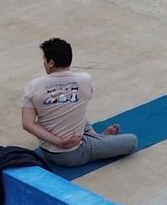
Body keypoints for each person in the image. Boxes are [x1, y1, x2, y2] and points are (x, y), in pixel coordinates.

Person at [20, 38, 138, 167]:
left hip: (49, 150)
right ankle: (100, 139)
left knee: (68, 110)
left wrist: (58, 142)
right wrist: (61, 143)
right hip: (73, 152)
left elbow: (27, 124)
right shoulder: (85, 79)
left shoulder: (33, 86)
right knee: (132, 141)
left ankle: (96, 137)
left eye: (44, 59)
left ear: (51, 63)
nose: (44, 63)